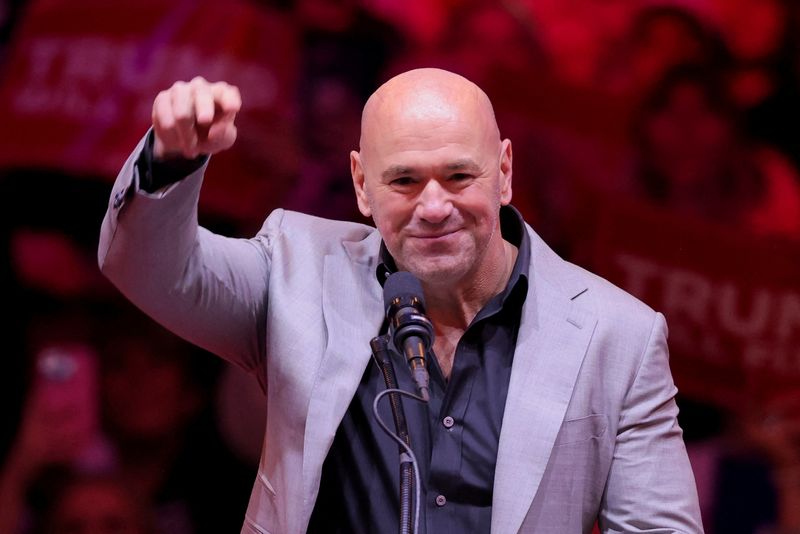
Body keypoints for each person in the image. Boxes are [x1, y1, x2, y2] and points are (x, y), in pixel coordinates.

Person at [98, 68, 703, 533]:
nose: (434, 207)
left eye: (460, 176)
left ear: (505, 171)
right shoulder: (296, 270)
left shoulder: (615, 334)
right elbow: (150, 270)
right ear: (362, 184)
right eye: (405, 180)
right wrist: (171, 159)